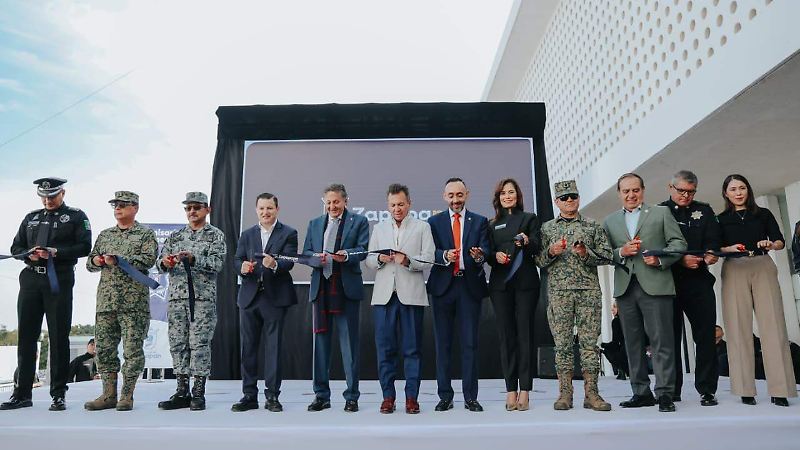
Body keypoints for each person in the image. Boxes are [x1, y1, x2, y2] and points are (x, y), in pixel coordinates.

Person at [1, 177, 91, 411]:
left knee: (58, 336)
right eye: (43, 196)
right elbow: (16, 247)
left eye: (52, 196)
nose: (47, 200)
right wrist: (27, 254)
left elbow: (84, 247)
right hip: (31, 279)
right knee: (26, 338)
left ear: (63, 193)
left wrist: (56, 252)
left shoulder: (76, 216)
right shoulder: (30, 218)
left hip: (58, 279)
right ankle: (22, 394)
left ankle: (58, 394)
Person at [603, 173, 687, 413]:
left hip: (656, 286)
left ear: (642, 190)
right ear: (619, 193)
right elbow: (605, 253)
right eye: (626, 191)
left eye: (635, 190)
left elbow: (679, 244)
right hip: (626, 289)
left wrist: (660, 259)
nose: (631, 195)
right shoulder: (609, 221)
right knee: (632, 343)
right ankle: (641, 392)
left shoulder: (661, 213)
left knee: (662, 342)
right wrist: (621, 252)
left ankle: (665, 394)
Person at [717, 174, 797, 407]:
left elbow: (780, 241)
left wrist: (771, 244)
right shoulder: (720, 219)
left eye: (742, 188)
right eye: (733, 189)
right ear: (726, 193)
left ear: (748, 190)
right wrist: (728, 248)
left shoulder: (763, 214)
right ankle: (745, 389)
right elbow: (714, 247)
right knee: (738, 326)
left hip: (762, 264)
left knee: (773, 325)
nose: (738, 193)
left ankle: (780, 389)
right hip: (734, 266)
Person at [537, 179, 612, 412]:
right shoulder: (547, 228)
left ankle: (592, 393)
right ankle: (565, 393)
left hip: (588, 291)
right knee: (562, 345)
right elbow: (538, 260)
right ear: (556, 201)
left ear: (578, 198)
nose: (569, 200)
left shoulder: (592, 225)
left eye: (573, 196)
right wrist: (551, 251)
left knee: (589, 345)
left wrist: (585, 253)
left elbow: (607, 255)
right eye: (564, 197)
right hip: (559, 293)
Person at [84, 191, 158, 411]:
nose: (118, 208)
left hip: (133, 304)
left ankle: (126, 396)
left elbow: (148, 259)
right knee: (104, 350)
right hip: (106, 303)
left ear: (135, 208)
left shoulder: (145, 234)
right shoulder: (105, 235)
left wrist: (119, 260)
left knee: (132, 351)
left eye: (123, 205)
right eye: (115, 205)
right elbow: (89, 263)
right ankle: (108, 395)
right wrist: (98, 260)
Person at [366, 184, 434, 414]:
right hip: (384, 297)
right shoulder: (379, 228)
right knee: (385, 350)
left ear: (409, 204)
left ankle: (411, 398)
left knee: (412, 349)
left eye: (401, 204)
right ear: (388, 206)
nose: (397, 208)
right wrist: (380, 259)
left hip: (411, 296)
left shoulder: (422, 227)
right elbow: (369, 259)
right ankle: (388, 397)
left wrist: (407, 261)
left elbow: (428, 259)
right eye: (393, 205)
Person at [303, 184, 369, 412]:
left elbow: (363, 249)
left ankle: (352, 397)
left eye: (336, 202)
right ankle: (321, 396)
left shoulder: (359, 221)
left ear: (345, 201)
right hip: (321, 290)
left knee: (349, 346)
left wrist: (346, 255)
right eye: (328, 202)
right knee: (320, 347)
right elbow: (306, 254)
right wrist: (315, 258)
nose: (332, 206)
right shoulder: (314, 224)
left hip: (345, 290)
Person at [157, 192, 226, 411]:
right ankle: (181, 391)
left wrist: (194, 258)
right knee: (178, 344)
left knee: (199, 344)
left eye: (197, 207)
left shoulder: (215, 235)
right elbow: (159, 264)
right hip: (177, 298)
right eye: (188, 208)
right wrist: (166, 262)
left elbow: (217, 263)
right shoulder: (176, 236)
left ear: (207, 210)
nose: (192, 211)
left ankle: (198, 392)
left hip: (202, 299)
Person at [427, 177, 490, 412]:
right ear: (445, 197)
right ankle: (445, 396)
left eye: (459, 195)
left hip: (469, 287)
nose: (456, 200)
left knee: (470, 344)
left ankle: (470, 397)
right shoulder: (433, 222)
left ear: (467, 195)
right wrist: (444, 256)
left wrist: (479, 255)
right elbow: (428, 252)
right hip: (443, 288)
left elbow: (486, 250)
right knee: (442, 345)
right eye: (451, 195)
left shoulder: (480, 221)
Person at [231, 192, 298, 412]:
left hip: (275, 298)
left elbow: (289, 261)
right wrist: (241, 267)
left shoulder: (289, 233)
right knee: (248, 349)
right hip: (249, 297)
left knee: (273, 349)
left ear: (277, 209)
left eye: (269, 208)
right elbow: (237, 259)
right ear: (256, 210)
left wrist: (275, 264)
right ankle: (249, 396)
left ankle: (272, 397)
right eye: (261, 208)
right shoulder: (247, 234)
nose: (265, 212)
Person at [659, 170, 721, 406]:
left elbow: (713, 238)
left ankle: (707, 389)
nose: (685, 196)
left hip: (699, 281)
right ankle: (671, 389)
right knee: (670, 338)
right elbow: (656, 245)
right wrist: (680, 259)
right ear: (670, 187)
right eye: (681, 191)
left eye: (691, 192)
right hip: (669, 282)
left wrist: (711, 253)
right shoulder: (659, 211)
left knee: (705, 336)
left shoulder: (704, 210)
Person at [486, 178, 540, 411]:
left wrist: (527, 241)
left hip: (526, 284)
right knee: (506, 337)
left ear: (517, 195)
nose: (507, 196)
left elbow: (537, 246)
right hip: (501, 286)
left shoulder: (529, 218)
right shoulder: (491, 224)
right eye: (503, 193)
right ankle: (510, 390)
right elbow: (488, 254)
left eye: (511, 192)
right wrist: (494, 256)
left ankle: (525, 390)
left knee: (525, 335)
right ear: (498, 198)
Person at [601, 302, 629, 380]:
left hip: (625, 354)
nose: (612, 310)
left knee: (608, 350)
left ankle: (621, 369)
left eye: (615, 307)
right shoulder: (631, 319)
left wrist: (603, 345)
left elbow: (615, 342)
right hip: (636, 351)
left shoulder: (616, 321)